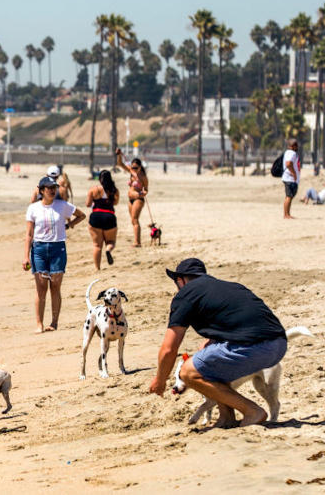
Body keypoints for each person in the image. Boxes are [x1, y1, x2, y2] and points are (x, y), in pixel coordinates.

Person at [148, 258, 287, 427]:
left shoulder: (185, 295)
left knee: (188, 372)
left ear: (180, 280)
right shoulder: (230, 287)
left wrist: (160, 380)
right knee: (209, 362)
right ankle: (226, 418)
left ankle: (252, 411)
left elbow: (169, 349)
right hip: (279, 343)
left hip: (254, 347)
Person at [23, 176, 86, 333]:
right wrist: (25, 256)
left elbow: (82, 215)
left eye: (54, 187)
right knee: (41, 288)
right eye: (49, 188)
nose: (52, 190)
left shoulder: (62, 205)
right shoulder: (33, 208)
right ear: (41, 190)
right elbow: (29, 234)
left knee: (55, 287)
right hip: (38, 250)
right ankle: (39, 324)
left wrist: (69, 225)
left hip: (58, 248)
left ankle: (54, 322)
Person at [86, 170, 119, 270]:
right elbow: (115, 203)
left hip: (96, 216)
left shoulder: (93, 190)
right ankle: (108, 250)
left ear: (100, 179)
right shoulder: (114, 190)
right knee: (111, 242)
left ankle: (97, 268)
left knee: (97, 245)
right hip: (109, 216)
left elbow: (88, 204)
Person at [115, 149, 149, 247]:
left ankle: (137, 242)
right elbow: (120, 164)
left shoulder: (143, 177)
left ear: (140, 167)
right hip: (130, 199)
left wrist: (143, 193)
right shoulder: (130, 171)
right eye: (133, 167)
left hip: (138, 199)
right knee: (132, 220)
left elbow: (146, 189)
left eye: (136, 167)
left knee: (135, 219)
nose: (134, 169)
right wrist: (119, 154)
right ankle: (136, 240)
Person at [282, 138, 300, 219]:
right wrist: (294, 174)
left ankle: (287, 213)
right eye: (296, 145)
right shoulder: (292, 153)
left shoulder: (287, 152)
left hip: (288, 178)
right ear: (293, 146)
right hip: (290, 178)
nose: (297, 146)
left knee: (288, 196)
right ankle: (286, 214)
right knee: (289, 196)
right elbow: (288, 164)